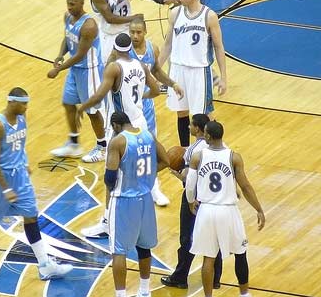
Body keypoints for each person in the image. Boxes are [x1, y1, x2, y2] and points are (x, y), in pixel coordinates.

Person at [0, 88, 72, 281]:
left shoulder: (22, 117)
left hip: (19, 175)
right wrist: (6, 188)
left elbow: (21, 145)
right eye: (23, 103)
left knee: (30, 216)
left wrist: (24, 163)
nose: (26, 107)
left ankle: (44, 265)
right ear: (11, 102)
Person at [76, 33, 161, 238]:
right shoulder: (140, 65)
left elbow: (98, 94)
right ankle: (139, 217)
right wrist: (141, 98)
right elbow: (157, 89)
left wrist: (82, 108)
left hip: (122, 128)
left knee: (111, 177)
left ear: (114, 49)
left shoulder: (114, 67)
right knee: (138, 171)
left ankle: (107, 221)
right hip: (140, 123)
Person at [186, 120, 265, 297]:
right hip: (228, 210)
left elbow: (190, 185)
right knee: (240, 252)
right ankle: (244, 294)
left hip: (206, 211)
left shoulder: (197, 156)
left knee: (208, 258)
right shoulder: (234, 157)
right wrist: (258, 209)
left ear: (207, 135)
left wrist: (191, 201)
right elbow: (245, 186)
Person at [104, 111, 169, 297]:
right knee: (144, 247)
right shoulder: (148, 135)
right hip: (146, 199)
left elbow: (110, 178)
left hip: (124, 201)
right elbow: (166, 160)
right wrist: (147, 175)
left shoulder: (117, 142)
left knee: (118, 251)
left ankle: (121, 295)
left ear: (116, 125)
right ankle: (144, 291)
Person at [158, 0, 227, 148]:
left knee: (204, 114)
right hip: (178, 69)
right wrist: (156, 69)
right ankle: (185, 150)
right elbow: (168, 44)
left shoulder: (209, 16)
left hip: (199, 71)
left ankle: (217, 147)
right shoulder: (175, 13)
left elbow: (218, 47)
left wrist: (223, 77)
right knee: (181, 112)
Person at [161, 113, 223, 290]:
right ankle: (215, 279)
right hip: (214, 198)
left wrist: (177, 175)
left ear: (197, 128)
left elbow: (189, 179)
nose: (188, 127)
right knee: (214, 238)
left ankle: (180, 277)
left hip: (195, 197)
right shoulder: (221, 147)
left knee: (187, 237)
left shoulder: (193, 149)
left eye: (190, 125)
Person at [127, 18, 185, 206]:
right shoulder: (123, 52)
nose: (135, 36)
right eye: (132, 32)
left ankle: (153, 187)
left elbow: (157, 71)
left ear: (145, 32)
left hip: (147, 108)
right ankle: (129, 186)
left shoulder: (152, 49)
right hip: (128, 108)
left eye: (138, 32)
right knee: (128, 149)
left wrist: (172, 83)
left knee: (149, 148)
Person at [48, 0, 106, 163]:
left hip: (89, 70)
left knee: (92, 111)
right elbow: (67, 38)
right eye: (68, 3)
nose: (69, 7)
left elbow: (80, 54)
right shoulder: (68, 17)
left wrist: (58, 70)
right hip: (75, 70)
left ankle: (102, 147)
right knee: (68, 102)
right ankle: (74, 144)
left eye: (73, 4)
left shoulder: (89, 26)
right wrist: (60, 55)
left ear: (82, 4)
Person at [91, 0, 148, 64]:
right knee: (110, 69)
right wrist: (134, 18)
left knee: (132, 65)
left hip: (128, 31)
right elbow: (110, 18)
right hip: (109, 36)